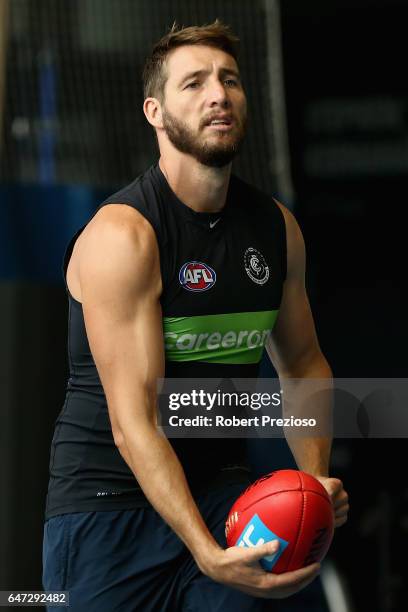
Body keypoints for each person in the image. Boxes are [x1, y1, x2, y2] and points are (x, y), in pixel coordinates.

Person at [42, 21, 349, 612]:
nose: (219, 94)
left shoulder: (275, 228)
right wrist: (201, 549)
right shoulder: (123, 236)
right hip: (108, 508)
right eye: (195, 83)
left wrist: (312, 481)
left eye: (229, 80)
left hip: (223, 496)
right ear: (155, 112)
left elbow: (305, 363)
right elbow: (135, 421)